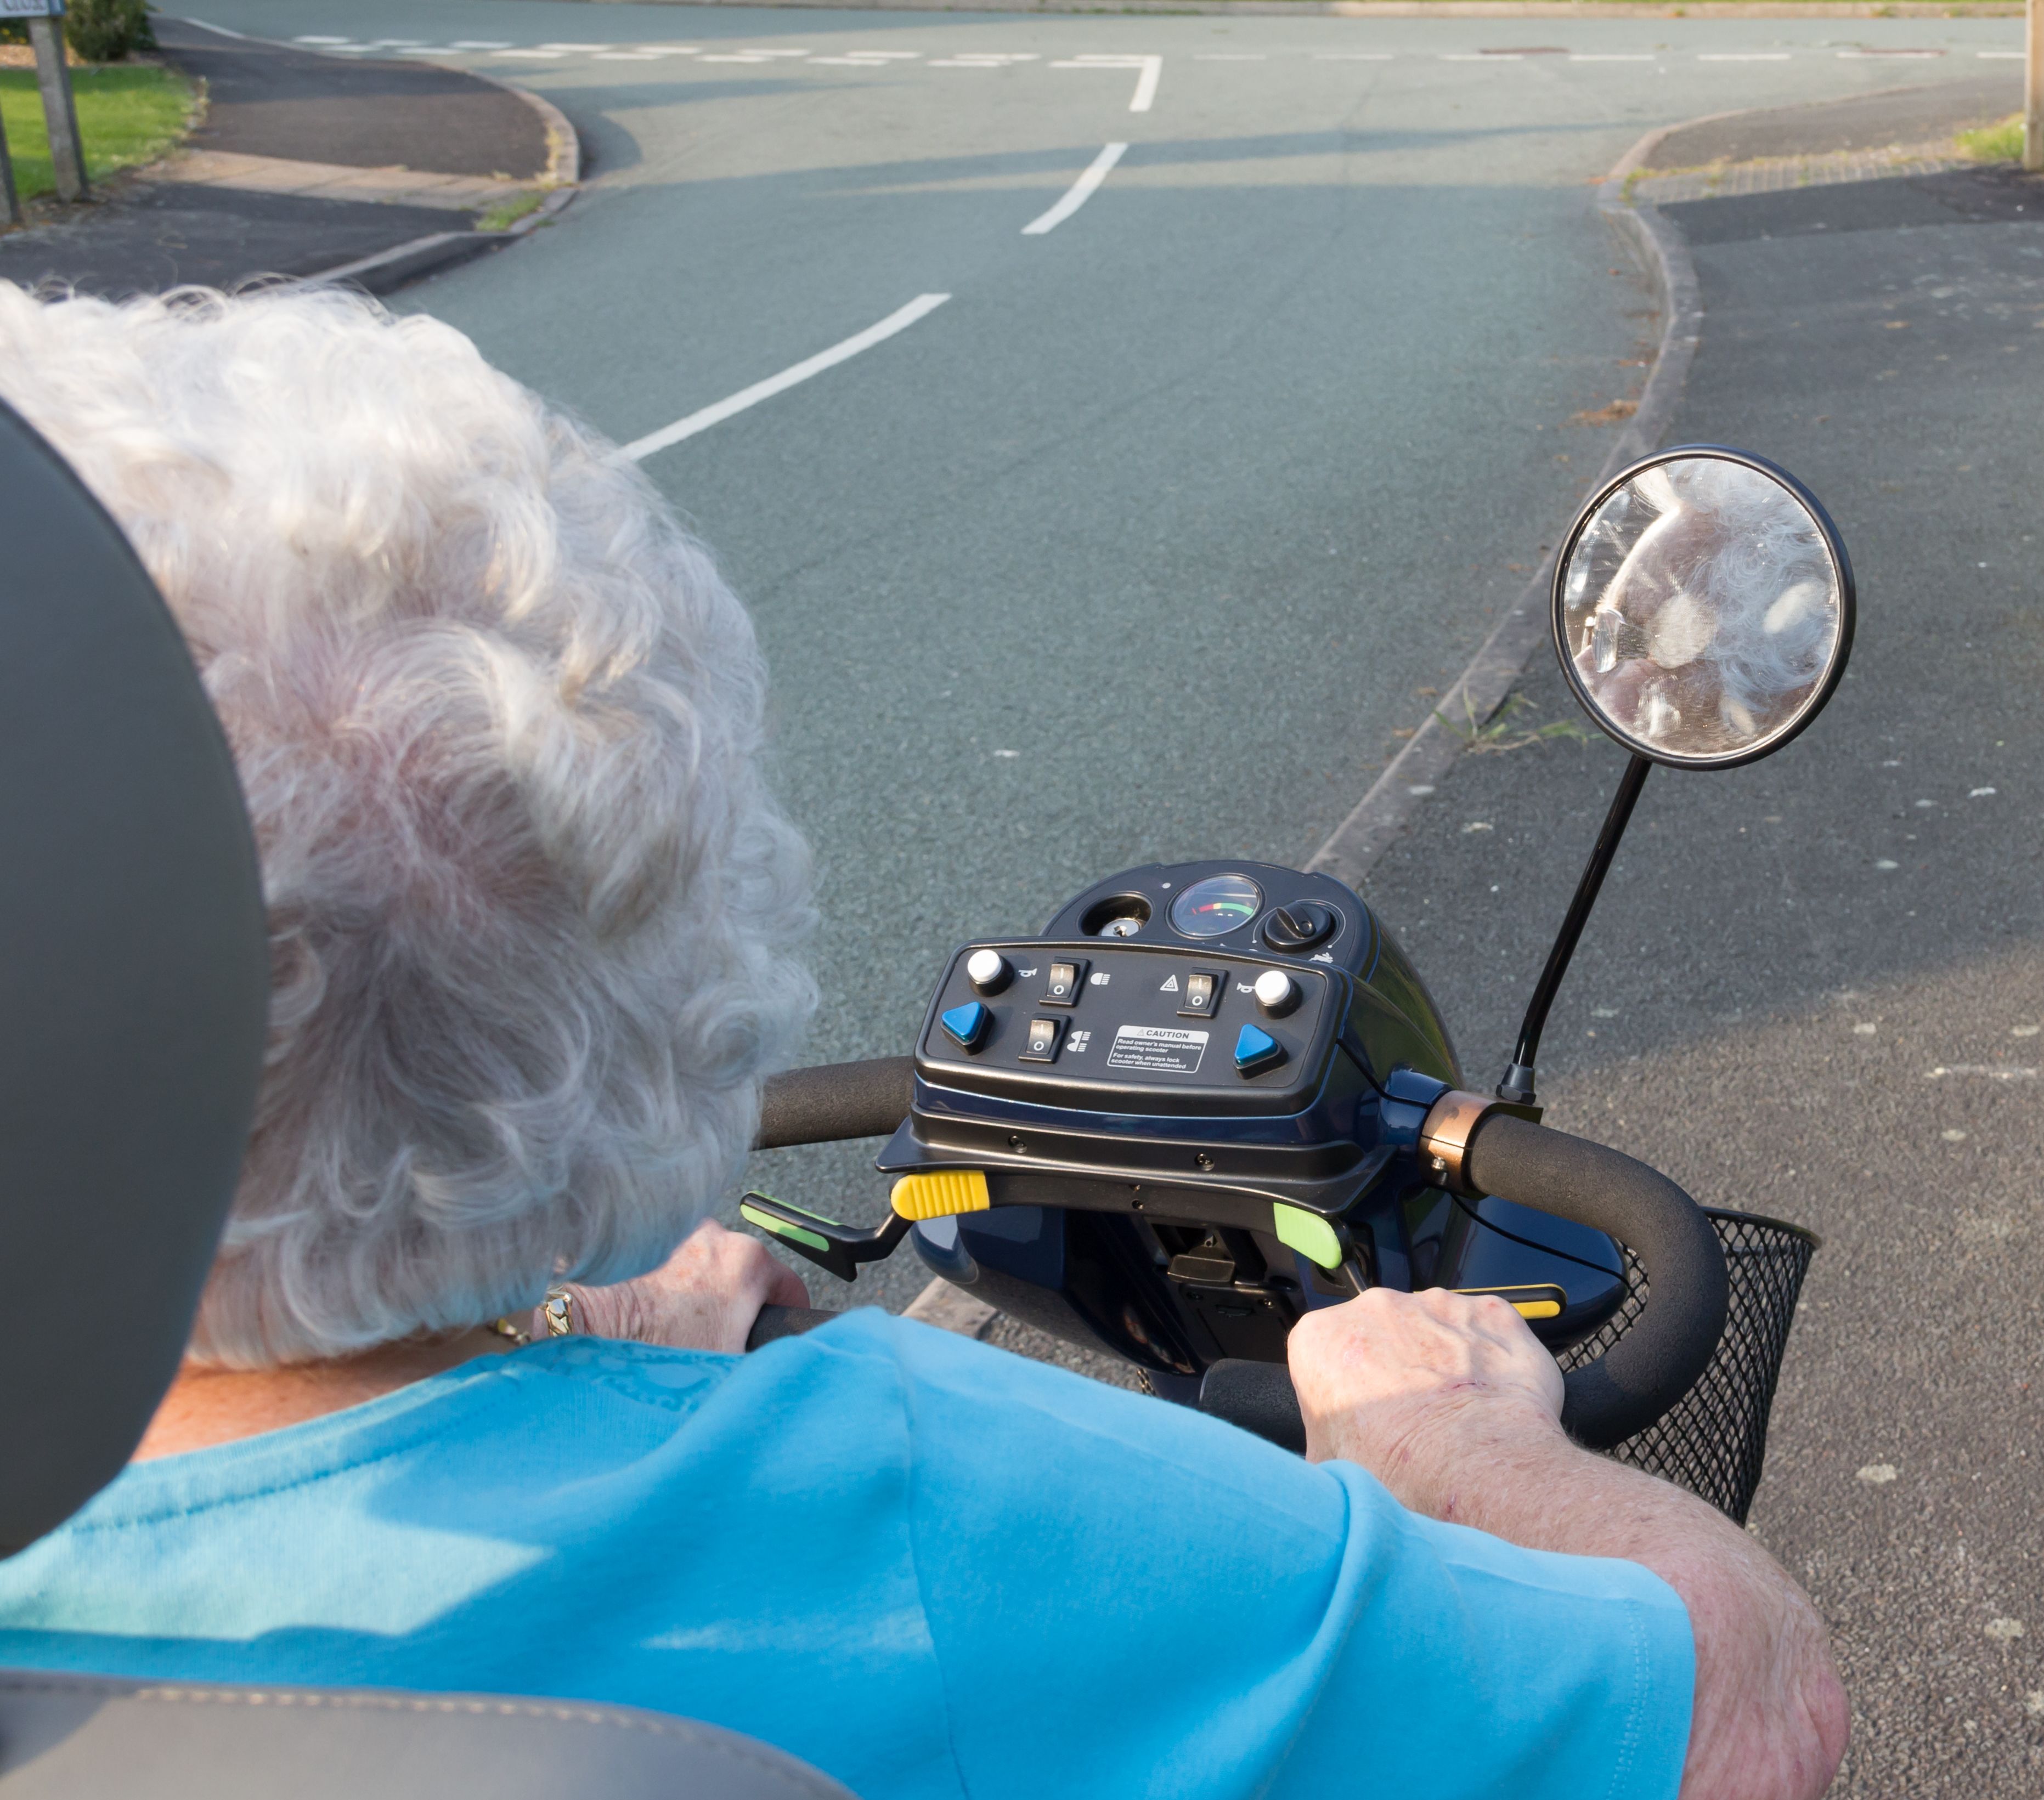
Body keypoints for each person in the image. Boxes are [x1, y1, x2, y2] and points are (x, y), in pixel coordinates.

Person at [0, 284, 1847, 1800]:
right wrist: (1452, 1449)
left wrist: (553, 1320)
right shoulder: (913, 1503)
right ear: (656, 944)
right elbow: (1734, 1721)